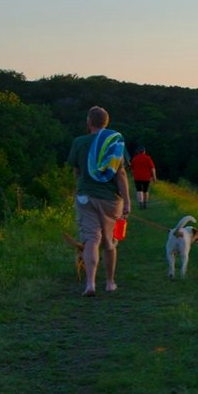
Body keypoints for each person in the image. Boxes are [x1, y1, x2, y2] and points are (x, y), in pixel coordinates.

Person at [66, 106, 131, 296]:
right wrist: (127, 201)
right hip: (111, 199)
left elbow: (76, 172)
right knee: (109, 242)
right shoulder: (115, 142)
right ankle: (110, 283)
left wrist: (79, 189)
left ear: (89, 122)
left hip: (86, 198)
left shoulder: (78, 142)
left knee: (91, 240)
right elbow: (120, 173)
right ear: (106, 122)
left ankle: (90, 284)